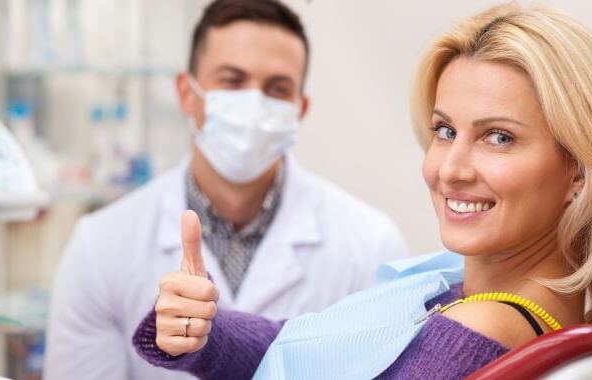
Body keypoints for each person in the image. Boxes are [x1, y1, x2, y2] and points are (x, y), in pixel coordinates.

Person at [132, 3, 592, 379]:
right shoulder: (470, 295)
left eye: (499, 137)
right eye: (445, 131)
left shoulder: (472, 335)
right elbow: (307, 347)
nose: (451, 169)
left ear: (578, 169)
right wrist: (203, 330)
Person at [44, 1, 408, 378]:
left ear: (300, 109)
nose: (254, 103)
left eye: (277, 88)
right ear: (187, 92)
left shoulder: (369, 245)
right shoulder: (100, 245)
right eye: (232, 81)